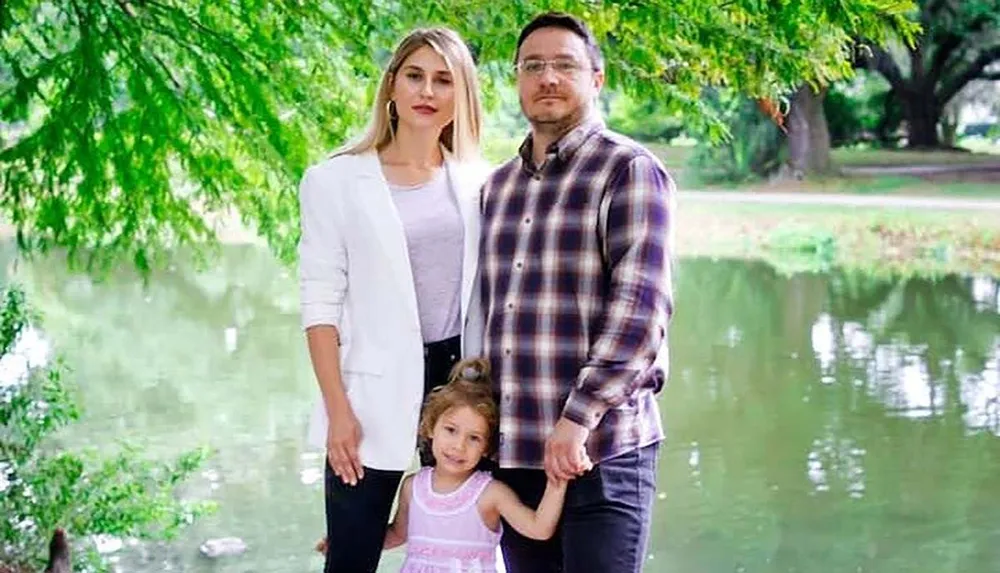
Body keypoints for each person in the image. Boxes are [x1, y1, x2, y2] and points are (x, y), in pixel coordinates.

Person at [478, 12, 675, 573]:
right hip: (518, 458)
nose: (547, 78)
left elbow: (640, 312)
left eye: (565, 65)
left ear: (596, 78)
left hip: (603, 450)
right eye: (533, 66)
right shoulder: (497, 188)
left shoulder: (629, 171)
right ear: (517, 79)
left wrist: (578, 418)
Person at [297, 27, 492, 573]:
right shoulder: (333, 181)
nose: (427, 91)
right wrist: (338, 411)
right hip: (370, 396)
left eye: (443, 80)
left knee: (458, 551)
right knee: (352, 556)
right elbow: (319, 307)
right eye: (414, 75)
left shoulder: (480, 183)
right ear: (391, 87)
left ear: (461, 98)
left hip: (461, 390)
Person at [384, 358, 567, 572]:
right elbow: (397, 534)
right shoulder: (412, 486)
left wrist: (558, 483)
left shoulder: (490, 493)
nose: (459, 446)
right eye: (451, 430)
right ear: (431, 427)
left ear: (487, 448)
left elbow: (539, 528)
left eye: (474, 438)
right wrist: (343, 541)